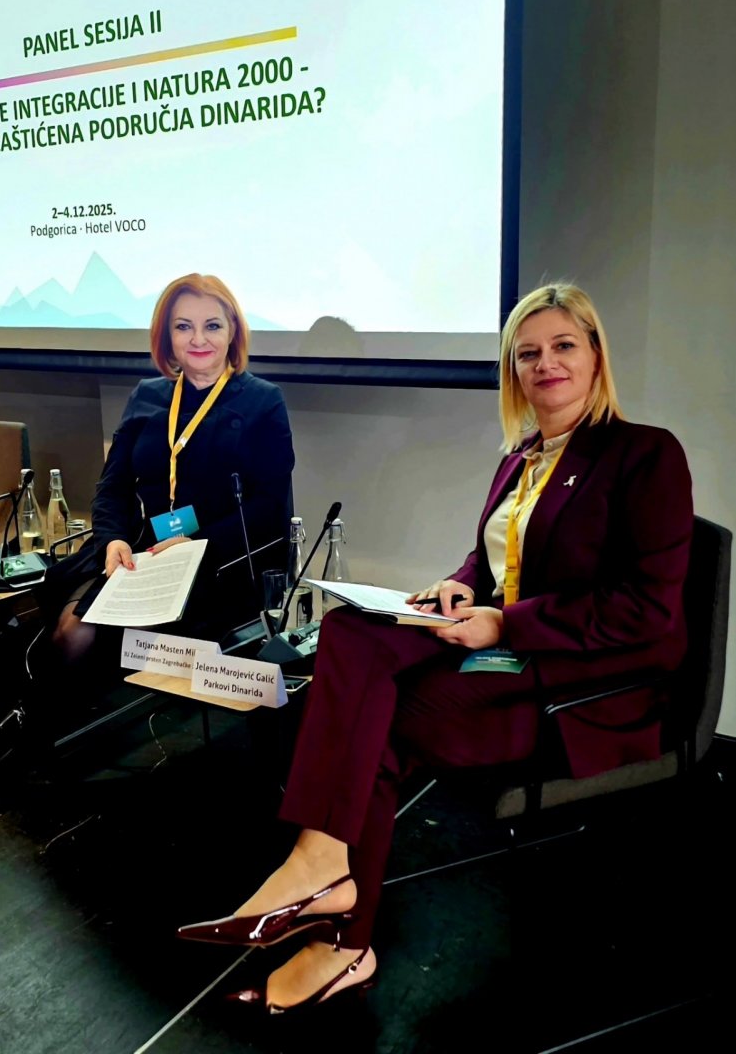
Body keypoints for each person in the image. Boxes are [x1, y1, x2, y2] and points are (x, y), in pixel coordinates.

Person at [176, 282, 693, 1014]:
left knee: (380, 724)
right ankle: (321, 866)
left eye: (563, 346)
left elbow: (646, 610)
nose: (545, 364)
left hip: (586, 680)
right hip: (511, 649)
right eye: (527, 354)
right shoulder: (522, 456)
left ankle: (341, 928)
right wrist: (457, 585)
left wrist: (505, 624)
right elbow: (492, 563)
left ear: (595, 356)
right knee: (350, 631)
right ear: (513, 371)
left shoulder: (644, 454)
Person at [0, 273, 295, 816]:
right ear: (166, 336)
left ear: (233, 332)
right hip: (144, 552)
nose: (199, 340)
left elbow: (268, 508)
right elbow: (113, 485)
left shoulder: (263, 402)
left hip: (219, 562)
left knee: (82, 634)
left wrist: (196, 541)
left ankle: (26, 736)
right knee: (71, 625)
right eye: (183, 327)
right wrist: (113, 538)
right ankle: (32, 736)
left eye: (212, 326)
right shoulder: (148, 396)